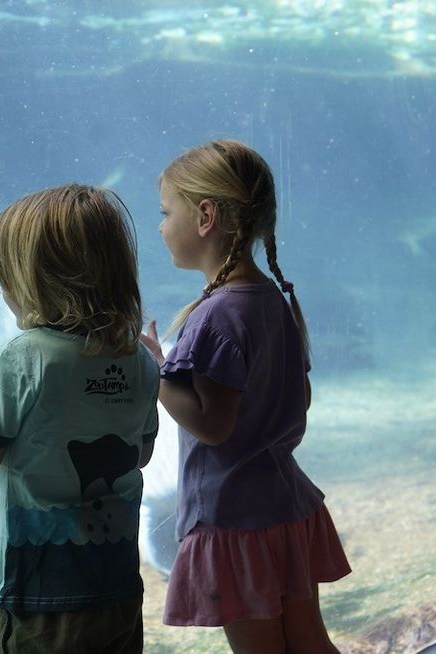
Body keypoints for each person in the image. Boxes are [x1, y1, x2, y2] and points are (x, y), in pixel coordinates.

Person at [139, 139, 350, 654]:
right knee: (309, 642)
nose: (161, 227)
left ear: (206, 215)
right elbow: (299, 397)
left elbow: (213, 425)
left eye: (167, 213)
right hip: (285, 504)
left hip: (236, 521)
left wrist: (156, 371)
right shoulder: (271, 301)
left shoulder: (215, 315)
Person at [0, 184, 160, 653]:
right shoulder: (141, 360)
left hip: (43, 589)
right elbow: (142, 454)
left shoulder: (25, 357)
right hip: (117, 585)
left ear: (29, 280)